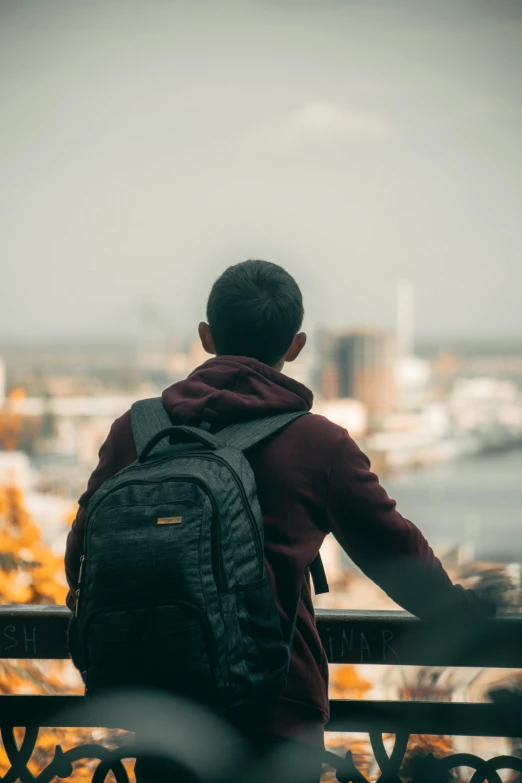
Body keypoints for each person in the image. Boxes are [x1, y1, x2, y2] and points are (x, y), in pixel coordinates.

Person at [65, 259, 493, 778]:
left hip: (163, 714)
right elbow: (399, 558)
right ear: (296, 345)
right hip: (275, 716)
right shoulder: (319, 444)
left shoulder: (134, 430)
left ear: (206, 337)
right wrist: (469, 614)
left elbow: (81, 556)